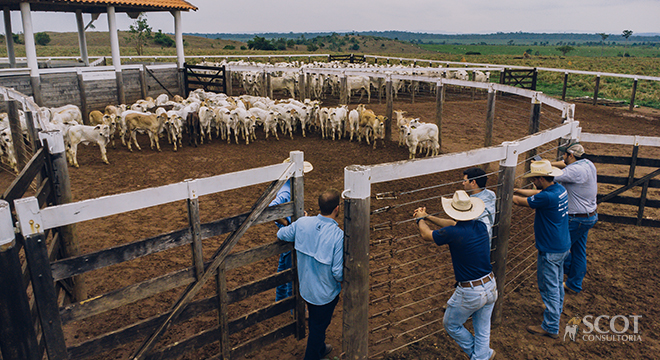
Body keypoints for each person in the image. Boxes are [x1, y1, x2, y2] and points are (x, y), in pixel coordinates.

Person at [413, 190, 497, 360]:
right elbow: (451, 223)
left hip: (471, 291)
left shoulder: (454, 233)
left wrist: (420, 219)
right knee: (482, 328)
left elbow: (426, 234)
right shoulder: (480, 226)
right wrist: (428, 216)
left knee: (451, 324)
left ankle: (479, 356)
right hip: (490, 284)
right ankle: (482, 355)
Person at [277, 189, 343, 360]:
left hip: (306, 288)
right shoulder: (338, 235)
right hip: (325, 293)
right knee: (318, 327)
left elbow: (282, 234)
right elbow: (337, 271)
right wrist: (342, 281)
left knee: (316, 321)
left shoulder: (303, 223)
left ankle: (320, 348)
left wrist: (295, 224)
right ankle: (313, 355)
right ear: (337, 208)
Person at [512, 160, 570, 339]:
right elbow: (537, 193)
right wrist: (517, 190)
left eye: (534, 179)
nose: (533, 182)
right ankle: (556, 311)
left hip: (550, 247)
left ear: (540, 178)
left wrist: (509, 195)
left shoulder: (547, 197)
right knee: (557, 282)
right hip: (561, 245)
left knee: (549, 286)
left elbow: (522, 202)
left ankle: (551, 326)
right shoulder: (558, 189)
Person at [551, 141, 598, 294]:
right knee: (579, 250)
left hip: (575, 219)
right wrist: (549, 162)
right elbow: (563, 165)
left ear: (570, 155)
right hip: (589, 216)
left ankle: (559, 287)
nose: (563, 157)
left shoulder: (574, 171)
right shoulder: (587, 164)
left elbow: (551, 177)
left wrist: (542, 167)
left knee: (556, 250)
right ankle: (574, 283)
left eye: (564, 154)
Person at [271, 159, 313, 302]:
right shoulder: (287, 190)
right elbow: (272, 209)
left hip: (284, 232)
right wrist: (290, 223)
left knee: (283, 267)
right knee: (292, 270)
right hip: (289, 233)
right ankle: (291, 306)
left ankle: (280, 300)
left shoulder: (287, 186)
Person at [462, 168, 497, 247]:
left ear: (473, 182)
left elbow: (485, 227)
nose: (463, 183)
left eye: (465, 181)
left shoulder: (476, 205)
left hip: (476, 246)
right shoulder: (491, 194)